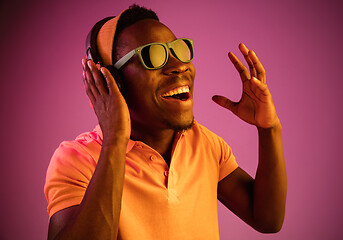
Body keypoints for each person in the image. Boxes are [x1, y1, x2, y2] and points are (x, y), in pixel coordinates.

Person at [44, 4, 286, 240]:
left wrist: (269, 128)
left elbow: (267, 219)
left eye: (179, 50)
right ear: (114, 82)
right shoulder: (77, 160)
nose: (180, 67)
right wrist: (115, 140)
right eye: (153, 56)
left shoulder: (206, 145)